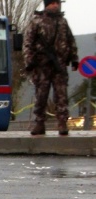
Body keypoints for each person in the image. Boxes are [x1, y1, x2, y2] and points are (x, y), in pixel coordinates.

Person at [23, 0, 79, 136]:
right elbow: (28, 42)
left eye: (57, 3)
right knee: (41, 95)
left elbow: (70, 40)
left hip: (59, 65)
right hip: (41, 66)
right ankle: (39, 123)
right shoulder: (37, 22)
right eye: (53, 3)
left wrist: (74, 59)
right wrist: (29, 61)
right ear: (47, 4)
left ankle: (62, 123)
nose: (56, 5)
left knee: (61, 95)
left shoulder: (63, 22)